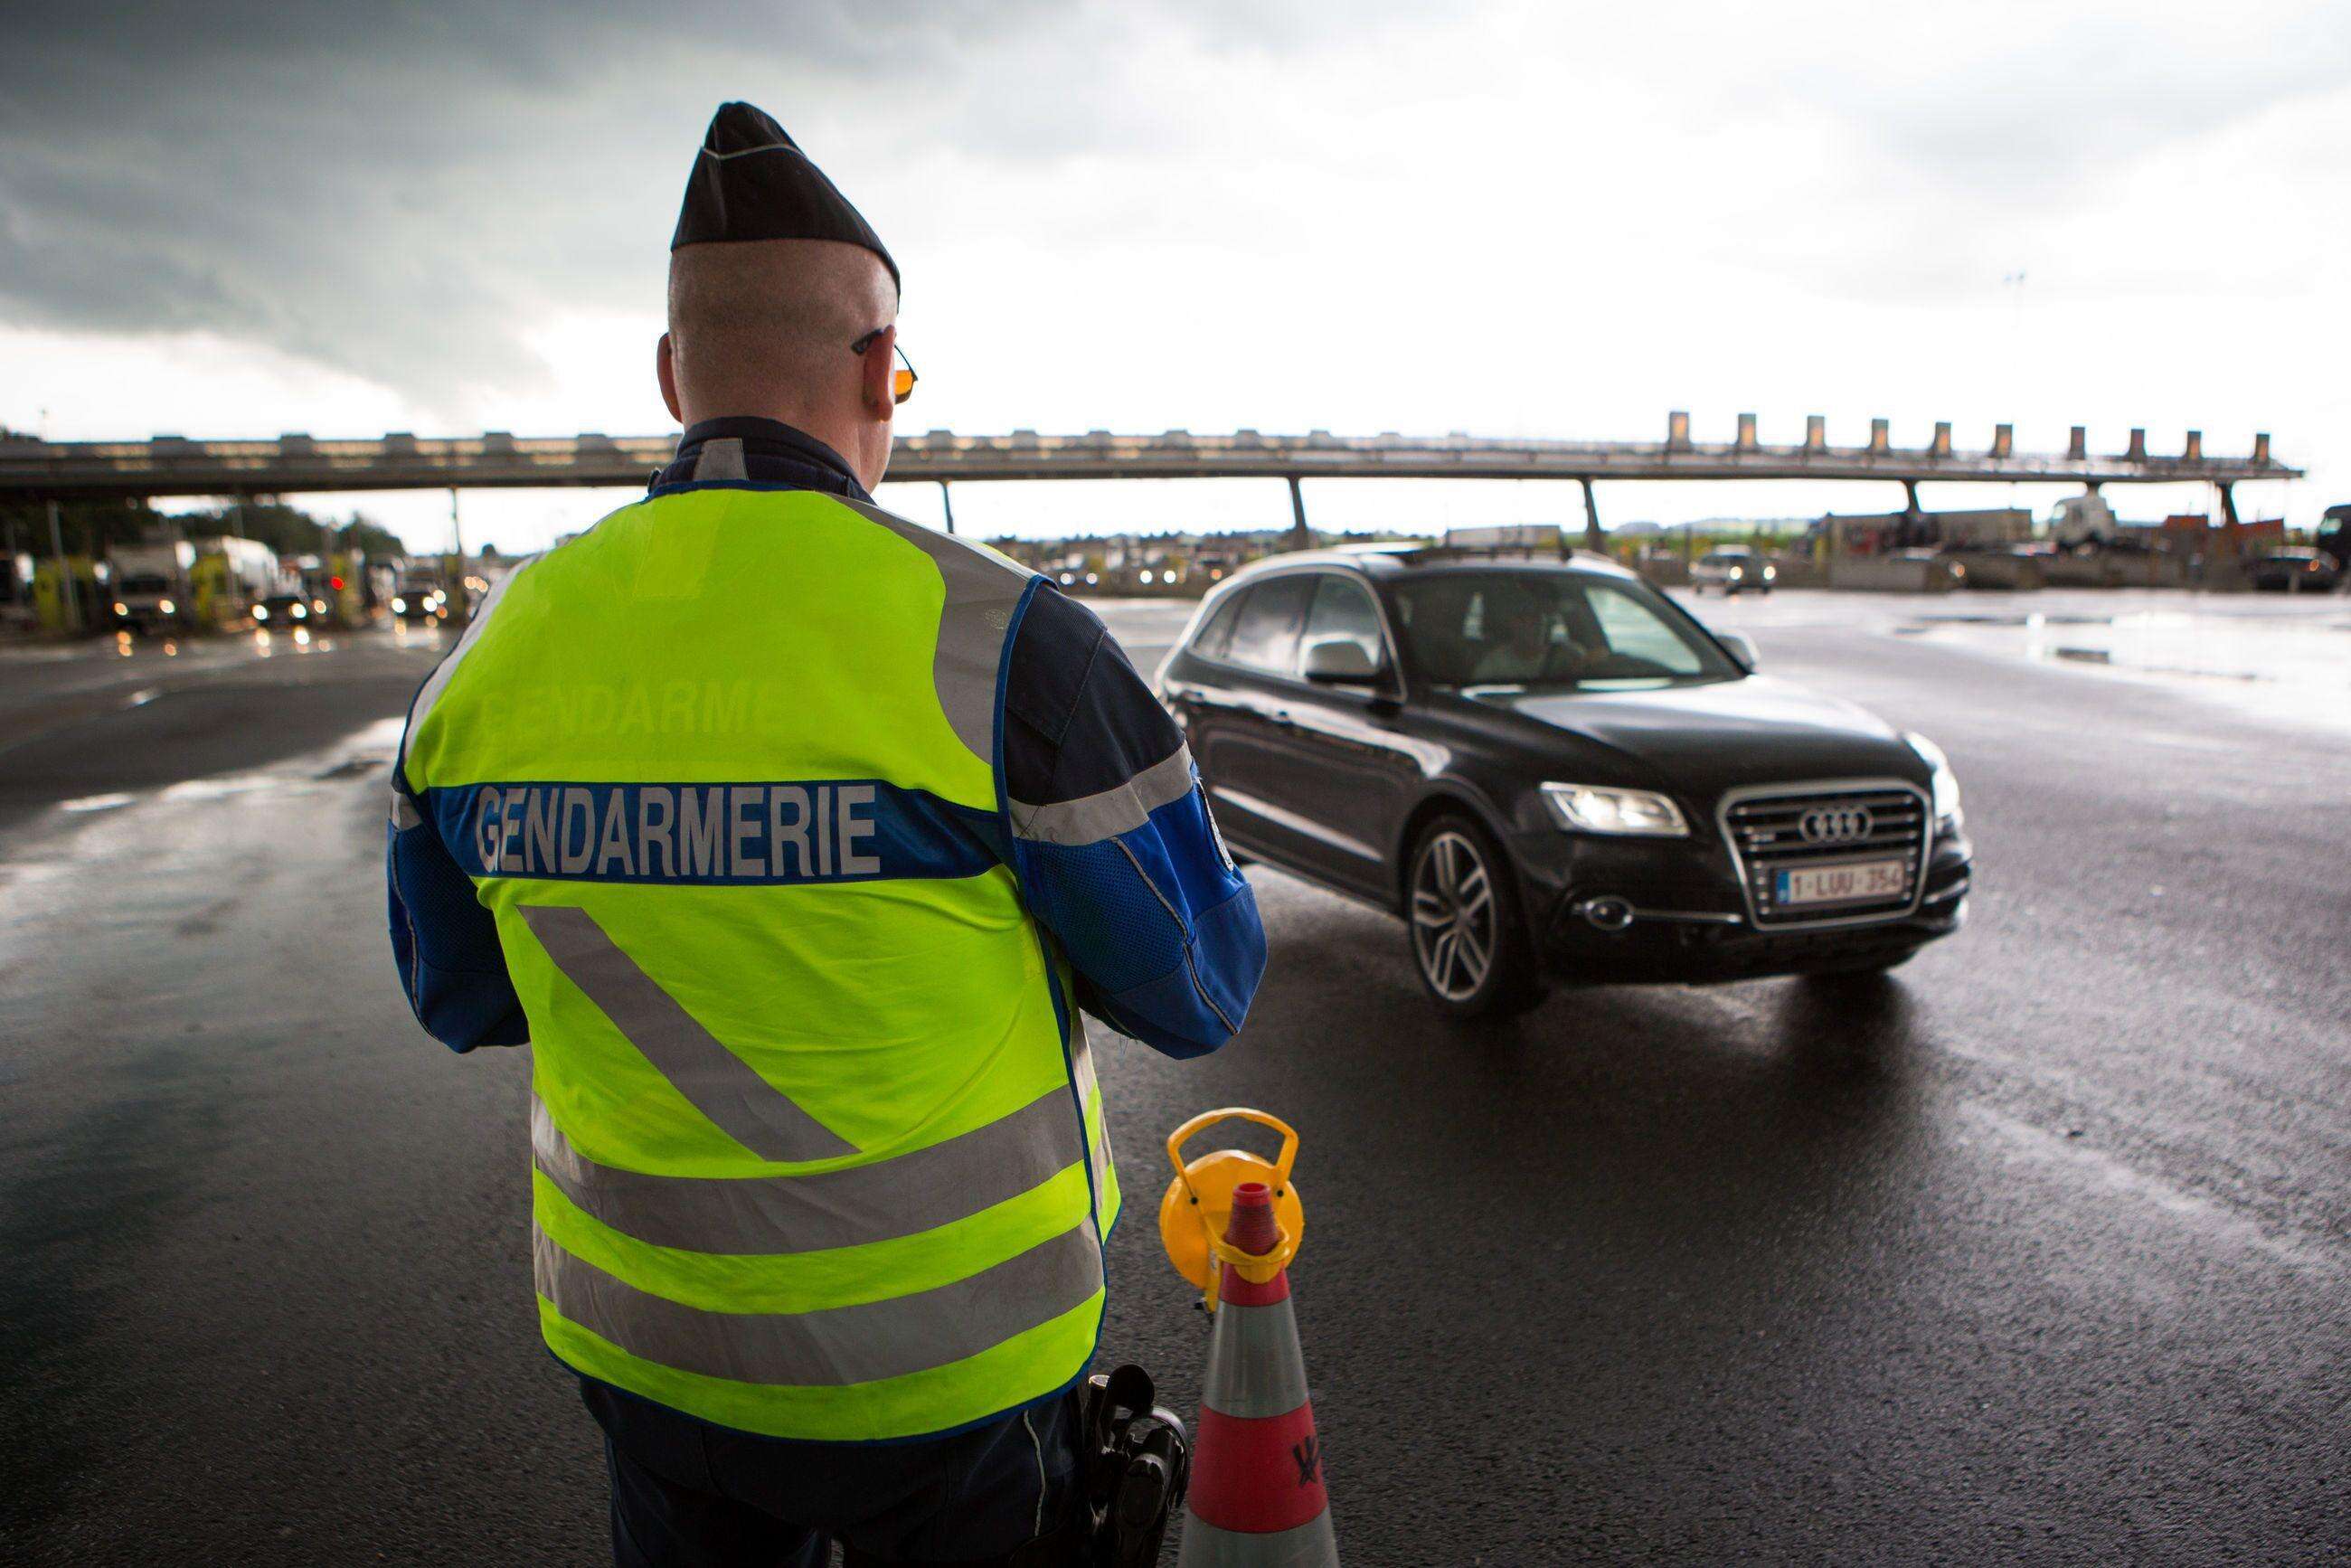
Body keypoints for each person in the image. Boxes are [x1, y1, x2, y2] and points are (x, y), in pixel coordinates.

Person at [386, 101, 1266, 1567]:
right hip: (956, 1374)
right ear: (877, 368)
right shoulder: (1002, 646)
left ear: (675, 378)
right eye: (899, 369)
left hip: (651, 1354)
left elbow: (459, 996)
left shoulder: (495, 657)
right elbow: (1201, 985)